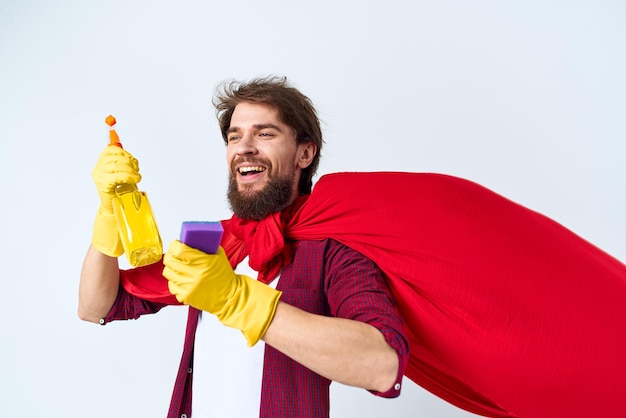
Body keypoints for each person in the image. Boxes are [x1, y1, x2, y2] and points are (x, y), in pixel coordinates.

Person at [79, 76, 410, 418]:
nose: (243, 147)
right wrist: (108, 213)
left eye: (265, 133)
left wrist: (236, 299)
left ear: (305, 153)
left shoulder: (333, 249)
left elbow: (382, 366)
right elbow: (95, 306)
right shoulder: (214, 245)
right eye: (234, 136)